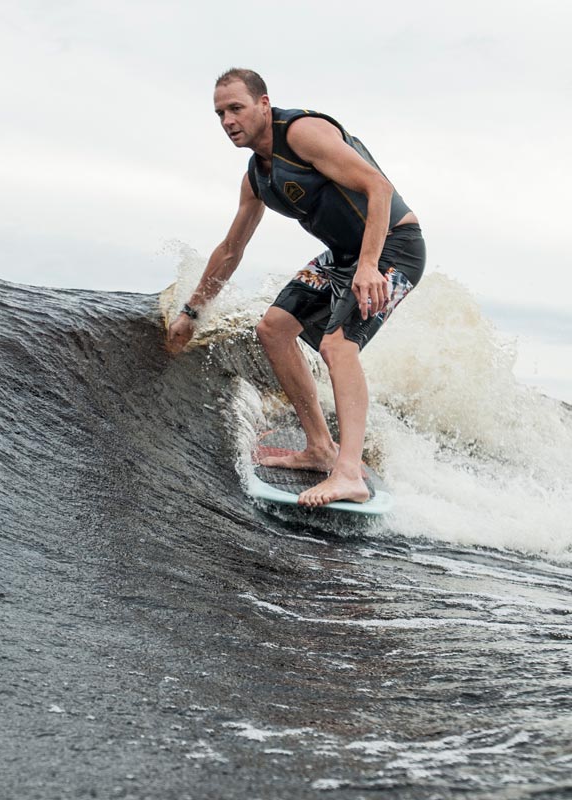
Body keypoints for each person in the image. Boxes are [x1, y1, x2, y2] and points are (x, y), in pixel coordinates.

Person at [165, 68, 425, 507]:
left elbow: (378, 187)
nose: (228, 121)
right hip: (344, 255)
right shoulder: (256, 178)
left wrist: (367, 266)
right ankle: (321, 449)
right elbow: (231, 249)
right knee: (274, 328)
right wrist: (191, 313)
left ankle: (349, 475)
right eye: (220, 114)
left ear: (264, 105)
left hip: (393, 248)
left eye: (236, 108)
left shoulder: (303, 133)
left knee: (338, 346)